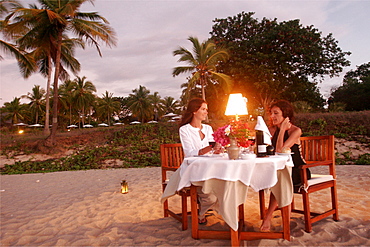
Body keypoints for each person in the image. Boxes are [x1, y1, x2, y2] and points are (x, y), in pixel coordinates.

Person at [260, 100, 311, 231]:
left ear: (286, 115)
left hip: (298, 170)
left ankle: (268, 216)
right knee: (278, 177)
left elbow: (279, 150)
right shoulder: (271, 130)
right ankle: (270, 216)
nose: (272, 116)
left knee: (280, 180)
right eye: (271, 113)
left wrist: (282, 129)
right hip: (278, 168)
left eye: (276, 113)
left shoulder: (296, 131)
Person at [179, 98, 222, 224]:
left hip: (209, 168)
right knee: (211, 197)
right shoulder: (185, 130)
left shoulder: (208, 128)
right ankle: (201, 212)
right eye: (203, 109)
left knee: (225, 188)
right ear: (194, 111)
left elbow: (212, 150)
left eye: (206, 110)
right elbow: (189, 153)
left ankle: (205, 205)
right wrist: (210, 147)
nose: (206, 112)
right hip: (193, 169)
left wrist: (217, 150)